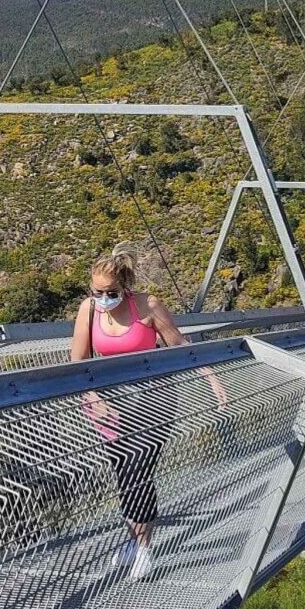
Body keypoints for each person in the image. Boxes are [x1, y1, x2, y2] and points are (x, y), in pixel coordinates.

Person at [69, 246, 224, 579]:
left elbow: (180, 346)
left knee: (140, 470)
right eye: (97, 292)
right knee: (124, 474)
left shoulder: (148, 306)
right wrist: (92, 395)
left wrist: (211, 378)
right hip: (108, 407)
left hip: (154, 401)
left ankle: (143, 546)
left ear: (125, 288)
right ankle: (133, 540)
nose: (103, 299)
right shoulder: (88, 310)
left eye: (111, 293)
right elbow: (78, 362)